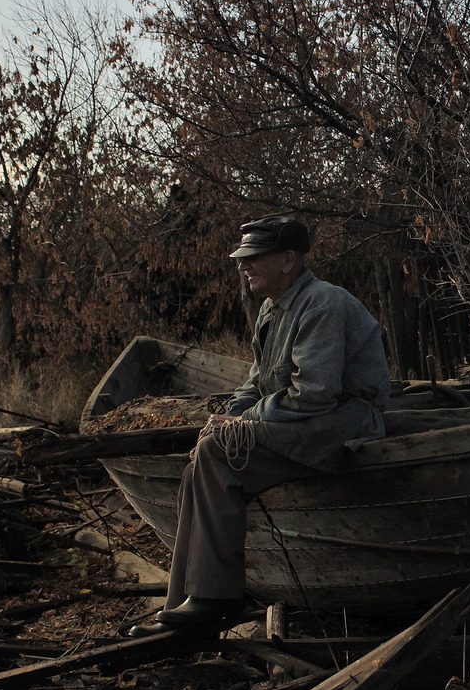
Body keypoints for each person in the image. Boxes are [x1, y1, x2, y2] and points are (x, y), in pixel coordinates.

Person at [129, 216, 391, 637]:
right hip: (304, 417)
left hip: (340, 423)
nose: (243, 266)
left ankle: (215, 599)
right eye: (242, 259)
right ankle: (186, 599)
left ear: (288, 260)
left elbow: (316, 393)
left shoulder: (322, 303)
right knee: (207, 448)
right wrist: (233, 414)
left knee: (219, 452)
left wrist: (243, 423)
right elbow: (257, 379)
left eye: (253, 258)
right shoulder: (272, 308)